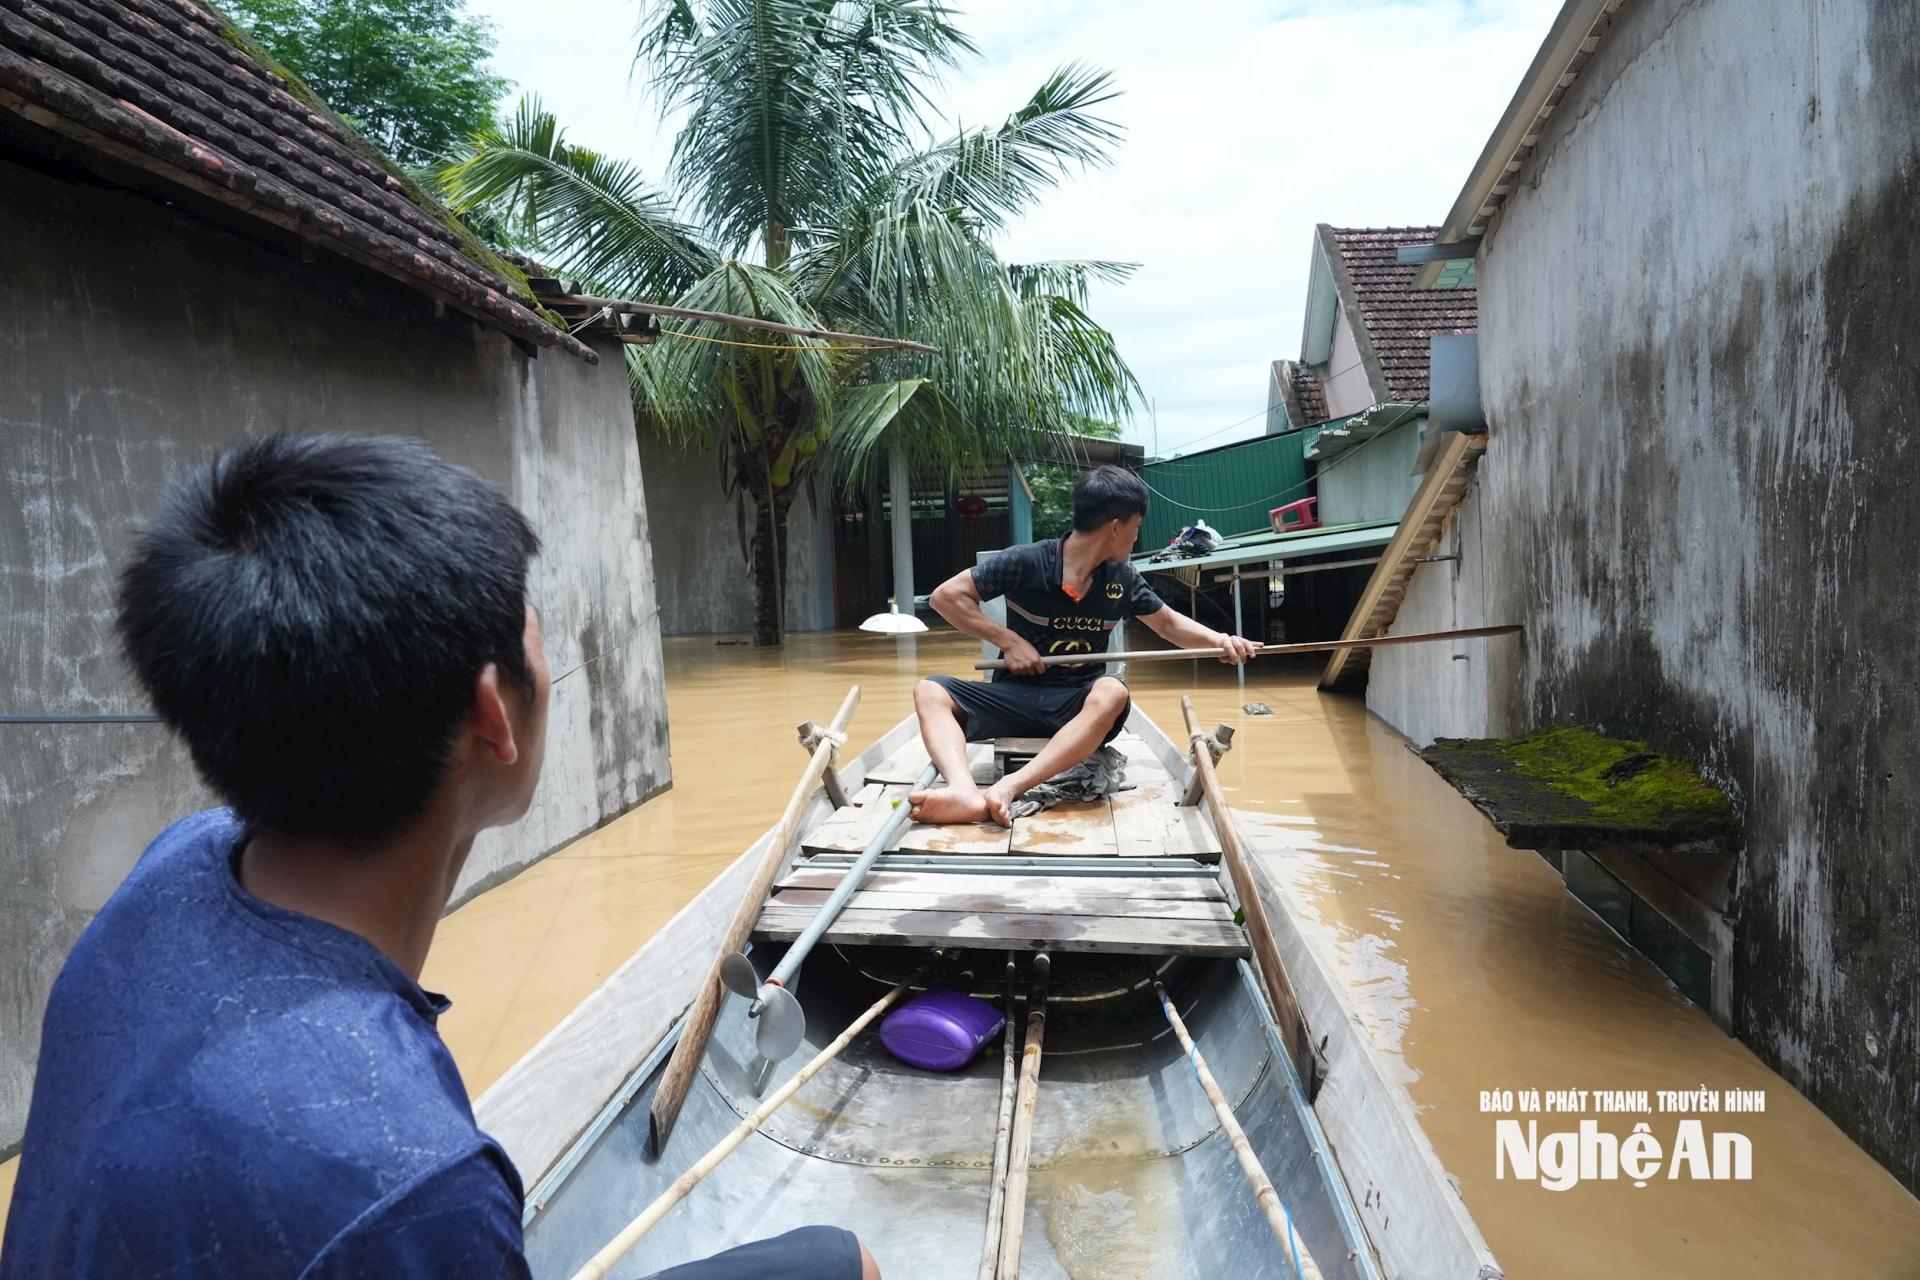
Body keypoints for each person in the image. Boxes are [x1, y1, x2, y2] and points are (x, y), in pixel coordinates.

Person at [0, 435, 879, 1280]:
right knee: (851, 1266)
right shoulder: (412, 1183)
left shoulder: (175, 866)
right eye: (532, 626)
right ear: (492, 715)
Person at [908, 465, 1258, 826]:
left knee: (1112, 691)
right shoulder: (1026, 561)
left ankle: (1009, 787)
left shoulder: (1122, 578)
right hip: (1016, 697)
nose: (1136, 538)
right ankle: (963, 791)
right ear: (1116, 526)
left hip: (1078, 710)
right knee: (930, 690)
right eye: (1136, 527)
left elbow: (1167, 623)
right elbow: (946, 597)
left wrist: (1221, 641)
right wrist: (1008, 641)